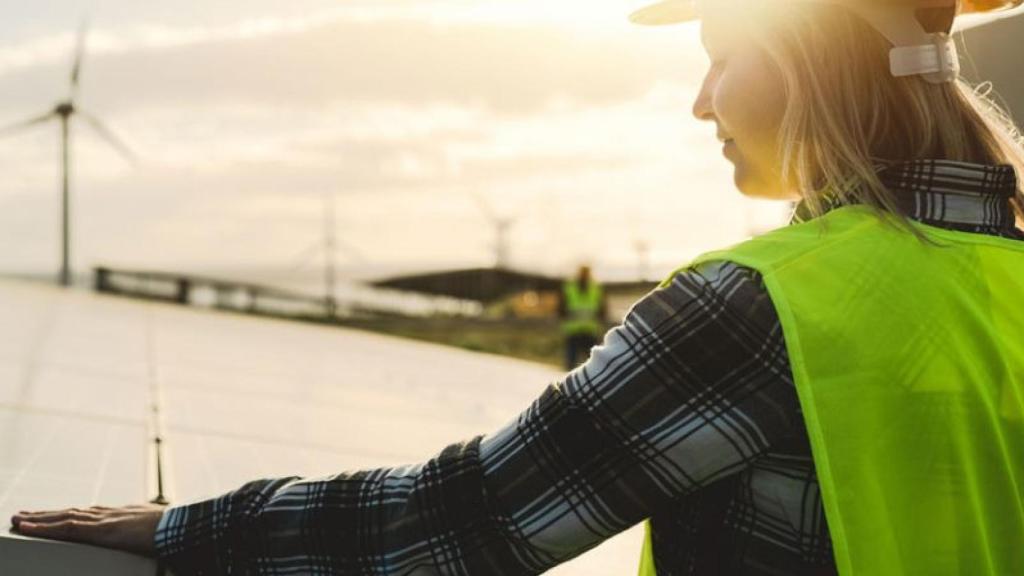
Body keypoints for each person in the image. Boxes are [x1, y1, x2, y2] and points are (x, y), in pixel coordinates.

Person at [11, 0, 1024, 574]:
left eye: (721, 57)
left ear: (804, 60)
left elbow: (466, 521)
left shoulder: (761, 310)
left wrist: (190, 526)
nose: (697, 101)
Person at [558, 264, 608, 370]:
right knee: (574, 364)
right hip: (574, 331)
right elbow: (561, 309)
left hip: (588, 330)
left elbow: (603, 310)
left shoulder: (595, 289)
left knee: (592, 364)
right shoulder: (569, 288)